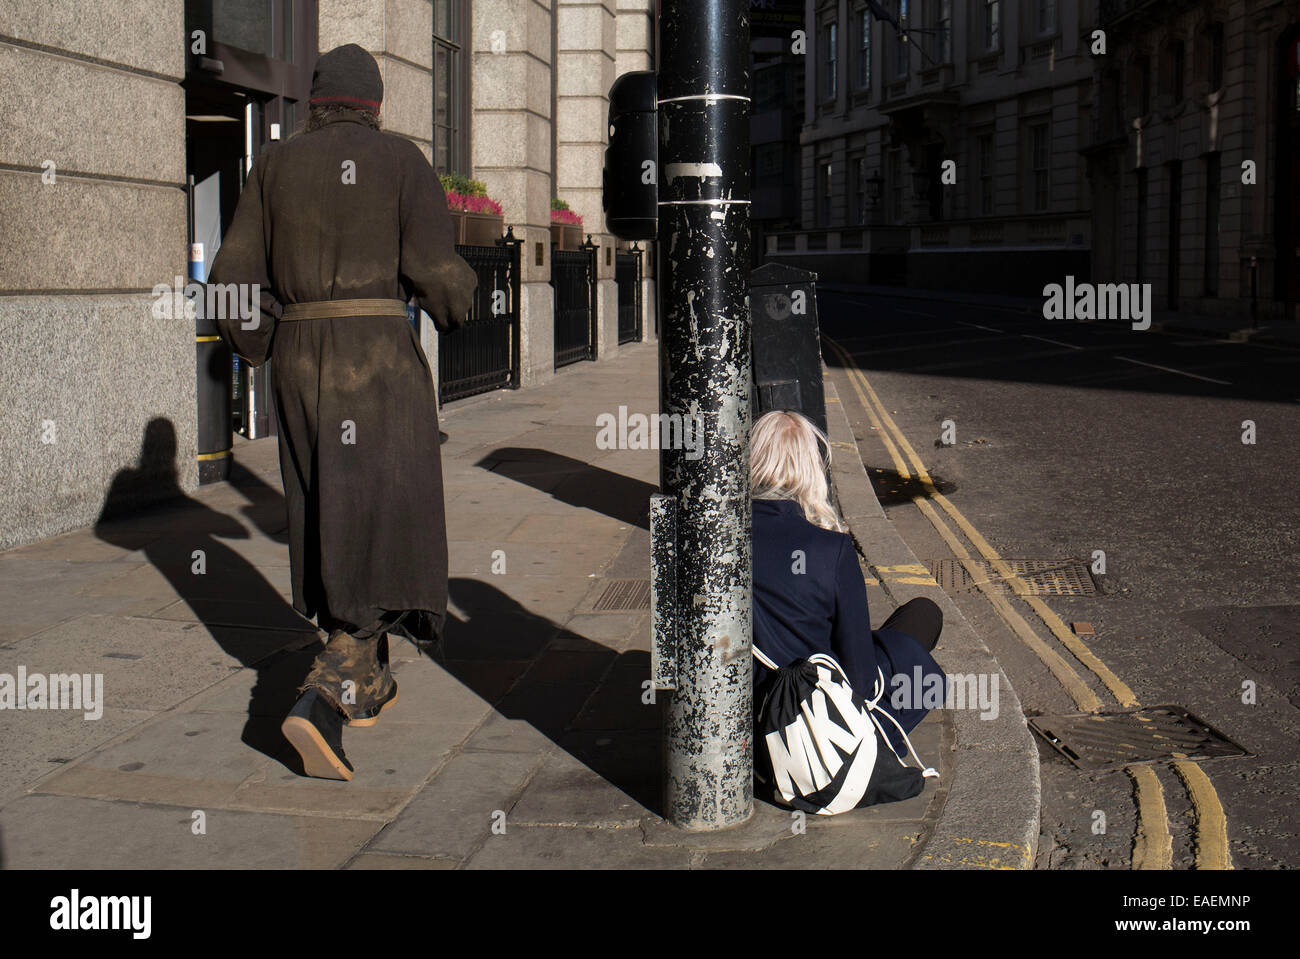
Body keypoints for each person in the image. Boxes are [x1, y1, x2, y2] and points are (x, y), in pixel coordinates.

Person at [207, 44, 477, 780]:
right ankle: (326, 691)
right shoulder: (400, 161)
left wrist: (266, 340)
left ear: (315, 101)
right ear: (375, 104)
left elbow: (231, 280)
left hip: (297, 362)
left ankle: (370, 677)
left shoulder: (274, 167)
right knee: (385, 513)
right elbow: (440, 277)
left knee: (330, 508)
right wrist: (459, 295)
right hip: (377, 364)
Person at [750, 409, 946, 761]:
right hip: (814, 730)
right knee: (923, 616)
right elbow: (862, 680)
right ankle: (881, 748)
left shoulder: (714, 543)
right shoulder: (831, 549)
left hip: (751, 719)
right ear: (811, 468)